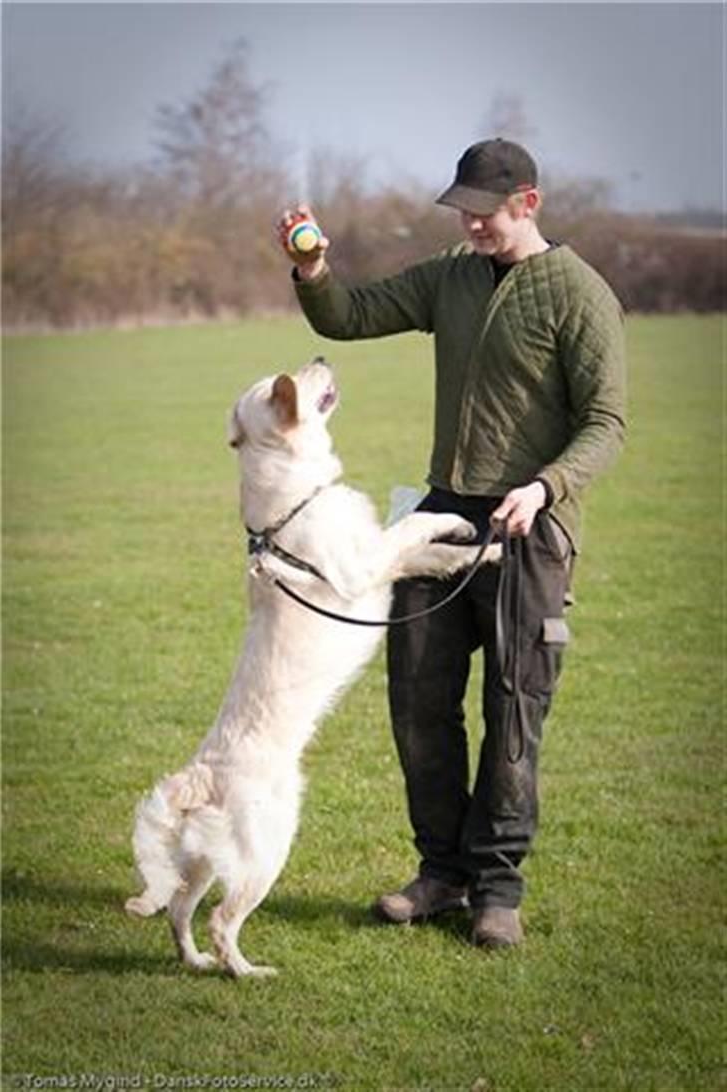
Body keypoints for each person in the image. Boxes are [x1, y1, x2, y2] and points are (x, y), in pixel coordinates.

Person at [276, 138, 626, 949]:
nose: (469, 226)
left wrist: (544, 487)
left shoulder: (581, 296)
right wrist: (314, 269)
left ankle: (497, 890)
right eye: (461, 212)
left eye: (482, 213)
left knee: (513, 713)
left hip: (530, 526)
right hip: (439, 517)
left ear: (527, 204)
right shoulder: (451, 276)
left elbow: (605, 424)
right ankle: (441, 873)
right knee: (419, 702)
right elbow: (349, 317)